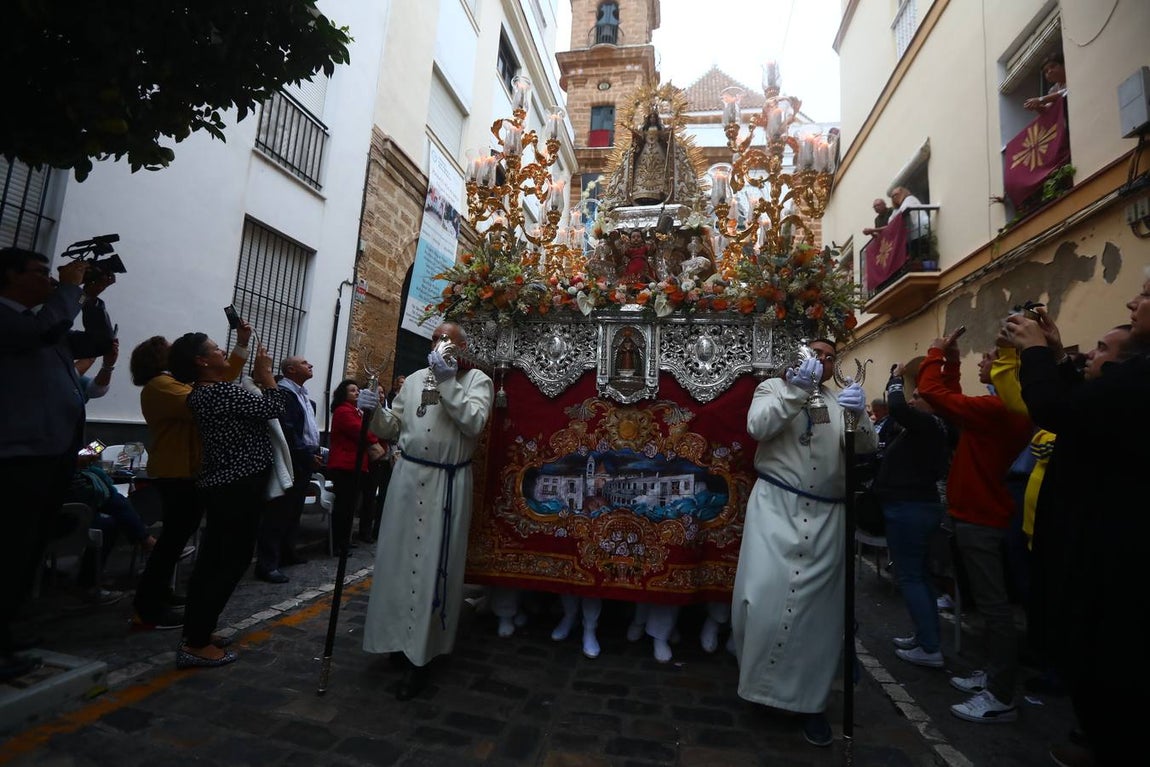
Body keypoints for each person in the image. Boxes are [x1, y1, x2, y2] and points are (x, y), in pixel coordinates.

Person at [1004, 288, 1148, 765]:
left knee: (1106, 661)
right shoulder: (1120, 386)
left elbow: (1058, 411)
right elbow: (1080, 405)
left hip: (1111, 554)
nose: (1134, 301)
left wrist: (1035, 354)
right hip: (1087, 544)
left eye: (1145, 294)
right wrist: (1056, 352)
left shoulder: (1136, 384)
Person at [730, 339, 876, 747]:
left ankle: (811, 704)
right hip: (776, 510)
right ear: (797, 358)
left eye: (830, 356)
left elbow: (865, 448)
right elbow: (759, 427)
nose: (824, 361)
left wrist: (858, 414)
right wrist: (796, 390)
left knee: (819, 619)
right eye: (815, 354)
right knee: (760, 600)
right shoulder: (772, 390)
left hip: (829, 516)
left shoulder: (837, 401)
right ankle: (758, 688)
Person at [356, 322, 493, 700]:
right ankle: (397, 640)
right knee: (398, 564)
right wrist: (373, 411)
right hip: (407, 478)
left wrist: (449, 382)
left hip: (447, 485)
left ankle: (423, 656)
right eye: (435, 338)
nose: (440, 343)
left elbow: (473, 422)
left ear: (463, 346)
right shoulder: (414, 379)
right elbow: (394, 427)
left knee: (434, 566)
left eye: (448, 339)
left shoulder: (477, 380)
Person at [0, 247, 114, 682]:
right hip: (17, 455)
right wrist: (68, 290)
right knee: (8, 551)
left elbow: (98, 344)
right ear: (10, 277)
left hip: (51, 454)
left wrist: (92, 298)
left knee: (26, 551)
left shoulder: (45, 324)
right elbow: (44, 331)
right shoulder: (12, 321)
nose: (50, 279)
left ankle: (9, 631)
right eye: (40, 272)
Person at [916, 332, 1032, 724]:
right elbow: (951, 400)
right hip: (977, 514)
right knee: (987, 604)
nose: (984, 361)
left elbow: (933, 393)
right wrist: (951, 363)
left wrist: (935, 353)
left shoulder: (999, 410)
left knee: (994, 608)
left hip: (981, 519)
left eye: (992, 359)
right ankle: (994, 674)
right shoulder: (996, 409)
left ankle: (1000, 695)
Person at [168, 332, 284, 668]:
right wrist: (266, 376)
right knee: (227, 561)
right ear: (201, 361)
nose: (222, 351)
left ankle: (199, 631)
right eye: (216, 349)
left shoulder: (207, 393)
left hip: (227, 484)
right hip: (236, 486)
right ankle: (196, 642)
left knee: (215, 560)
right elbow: (273, 407)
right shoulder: (216, 394)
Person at [128, 329, 249, 629]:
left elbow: (218, 381)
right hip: (176, 473)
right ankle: (148, 607)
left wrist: (241, 346)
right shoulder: (162, 386)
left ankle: (160, 594)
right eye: (170, 348)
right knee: (171, 542)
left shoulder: (174, 384)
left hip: (186, 471)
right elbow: (211, 396)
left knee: (175, 538)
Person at [874, 365, 951, 668]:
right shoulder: (930, 427)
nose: (913, 401)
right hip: (914, 506)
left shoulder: (930, 424)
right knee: (919, 576)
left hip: (910, 508)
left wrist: (895, 377)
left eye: (918, 396)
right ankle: (925, 636)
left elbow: (895, 406)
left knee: (910, 578)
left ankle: (930, 647)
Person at [256, 355, 321, 583]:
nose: (310, 364)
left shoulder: (302, 395)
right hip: (290, 459)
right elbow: (288, 430)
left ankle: (286, 552)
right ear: (291, 370)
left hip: (304, 459)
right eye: (305, 363)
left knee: (293, 511)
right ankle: (267, 564)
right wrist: (306, 454)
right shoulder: (284, 393)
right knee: (278, 512)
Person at [327, 379, 385, 546]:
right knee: (343, 505)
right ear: (343, 394)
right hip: (345, 464)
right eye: (352, 390)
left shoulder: (354, 410)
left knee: (350, 504)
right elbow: (360, 430)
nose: (357, 392)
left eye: (357, 390)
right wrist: (375, 441)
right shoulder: (344, 411)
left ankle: (344, 538)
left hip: (354, 465)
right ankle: (339, 542)